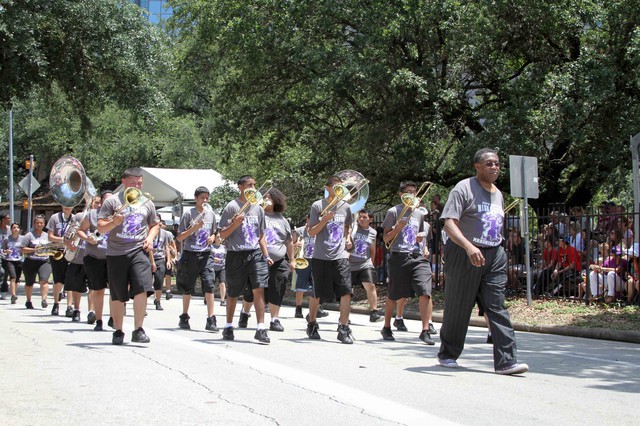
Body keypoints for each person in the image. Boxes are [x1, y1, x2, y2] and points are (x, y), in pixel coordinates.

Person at [437, 148, 528, 375]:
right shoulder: (463, 188)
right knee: (459, 306)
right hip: (464, 252)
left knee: (496, 306)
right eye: (489, 163)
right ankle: (448, 353)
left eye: (497, 163)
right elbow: (448, 223)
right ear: (477, 166)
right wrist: (469, 247)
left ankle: (506, 361)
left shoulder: (498, 193)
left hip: (494, 254)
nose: (495, 167)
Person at [98, 167, 159, 345]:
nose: (137, 186)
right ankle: (118, 330)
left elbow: (155, 225)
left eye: (139, 183)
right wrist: (113, 222)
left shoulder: (147, 202)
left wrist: (150, 238)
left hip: (138, 250)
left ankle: (138, 329)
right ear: (123, 182)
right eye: (133, 183)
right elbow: (101, 227)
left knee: (142, 287)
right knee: (118, 293)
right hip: (116, 252)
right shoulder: (112, 202)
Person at [380, 182, 434, 345]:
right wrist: (397, 229)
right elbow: (385, 239)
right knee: (394, 294)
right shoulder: (393, 212)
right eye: (408, 192)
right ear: (401, 194)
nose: (411, 195)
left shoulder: (419, 213)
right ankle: (387, 326)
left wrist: (422, 241)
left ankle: (425, 330)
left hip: (417, 256)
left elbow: (422, 232)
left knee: (425, 291)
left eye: (413, 192)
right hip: (399, 256)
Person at [218, 176, 271, 344]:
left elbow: (261, 235)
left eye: (254, 185)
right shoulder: (232, 207)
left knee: (259, 288)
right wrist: (234, 224)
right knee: (233, 292)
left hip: (254, 253)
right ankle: (228, 325)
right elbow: (222, 235)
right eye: (249, 185)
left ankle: (261, 328)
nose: (253, 188)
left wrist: (266, 254)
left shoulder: (258, 208)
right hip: (235, 254)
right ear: (240, 187)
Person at [306, 175, 355, 344]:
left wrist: (348, 238)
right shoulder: (318, 206)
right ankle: (312, 323)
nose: (339, 189)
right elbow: (311, 232)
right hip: (321, 256)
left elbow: (347, 226)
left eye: (341, 187)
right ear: (327, 188)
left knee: (346, 291)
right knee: (317, 293)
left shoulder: (346, 207)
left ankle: (343, 327)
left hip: (340, 256)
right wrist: (324, 220)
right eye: (335, 186)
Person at [175, 186, 218, 331]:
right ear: (195, 198)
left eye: (207, 198)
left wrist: (212, 237)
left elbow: (214, 233)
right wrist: (193, 229)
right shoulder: (188, 214)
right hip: (190, 254)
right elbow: (180, 237)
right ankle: (184, 316)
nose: (204, 200)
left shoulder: (211, 214)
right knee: (188, 288)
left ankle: (211, 319)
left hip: (206, 255)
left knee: (209, 285)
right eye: (202, 198)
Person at [261, 188, 295, 331]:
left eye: (270, 197)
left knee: (278, 287)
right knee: (254, 290)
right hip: (259, 258)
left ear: (276, 200)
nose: (267, 199)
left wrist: (292, 259)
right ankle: (245, 312)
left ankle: (275, 319)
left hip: (279, 260)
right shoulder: (257, 214)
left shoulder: (282, 220)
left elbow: (288, 242)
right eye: (265, 197)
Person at [79, 190, 112, 331]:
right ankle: (99, 320)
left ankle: (113, 317)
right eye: (107, 200)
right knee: (98, 290)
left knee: (116, 291)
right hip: (94, 257)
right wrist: (87, 238)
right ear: (102, 201)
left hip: (113, 257)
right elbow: (80, 230)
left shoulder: (119, 216)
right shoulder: (92, 215)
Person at [349, 209, 381, 322]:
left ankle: (374, 312)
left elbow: (372, 249)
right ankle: (344, 316)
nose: (361, 219)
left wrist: (371, 263)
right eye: (360, 217)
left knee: (371, 285)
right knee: (347, 291)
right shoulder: (352, 228)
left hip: (364, 263)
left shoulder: (373, 232)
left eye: (365, 217)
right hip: (349, 264)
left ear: (370, 220)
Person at [47, 206, 74, 316]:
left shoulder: (75, 219)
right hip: (57, 250)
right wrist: (63, 240)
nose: (68, 207)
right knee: (58, 279)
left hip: (70, 251)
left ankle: (69, 306)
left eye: (70, 205)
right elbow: (50, 237)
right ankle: (56, 304)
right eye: (65, 204)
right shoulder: (55, 218)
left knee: (70, 279)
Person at [20, 215, 52, 309]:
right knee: (29, 282)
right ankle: (28, 301)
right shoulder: (29, 235)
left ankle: (44, 299)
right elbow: (22, 249)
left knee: (44, 279)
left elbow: (51, 247)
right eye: (37, 223)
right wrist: (34, 250)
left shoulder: (47, 236)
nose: (39, 224)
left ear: (44, 224)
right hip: (31, 261)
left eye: (41, 223)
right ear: (34, 224)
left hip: (44, 261)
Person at [63, 210, 89, 322]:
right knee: (76, 287)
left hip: (92, 258)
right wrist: (70, 245)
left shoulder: (102, 216)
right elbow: (66, 238)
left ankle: (92, 312)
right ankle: (76, 309)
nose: (97, 205)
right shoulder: (80, 216)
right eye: (95, 202)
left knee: (94, 288)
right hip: (77, 258)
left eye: (99, 203)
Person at [150, 217, 173, 311]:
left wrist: (168, 260)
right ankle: (143, 305)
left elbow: (166, 247)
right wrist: (152, 262)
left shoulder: (164, 233)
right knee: (146, 282)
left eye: (158, 220)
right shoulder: (148, 231)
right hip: (148, 259)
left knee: (159, 280)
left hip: (160, 258)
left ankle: (158, 301)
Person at [2, 222, 24, 304]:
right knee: (13, 276)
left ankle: (14, 293)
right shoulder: (7, 239)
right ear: (11, 229)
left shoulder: (23, 238)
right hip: (9, 260)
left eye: (17, 227)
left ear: (19, 229)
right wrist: (6, 251)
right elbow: (2, 250)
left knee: (17, 278)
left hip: (19, 260)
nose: (16, 229)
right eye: (14, 227)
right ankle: (13, 295)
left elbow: (25, 248)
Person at [210, 231, 227, 305]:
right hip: (212, 267)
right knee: (210, 284)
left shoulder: (224, 247)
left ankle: (222, 300)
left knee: (222, 283)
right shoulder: (211, 247)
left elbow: (226, 257)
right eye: (217, 237)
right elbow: (208, 256)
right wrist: (214, 259)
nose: (219, 239)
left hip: (221, 267)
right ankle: (208, 298)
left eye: (220, 237)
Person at [0, 213, 10, 300]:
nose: (9, 220)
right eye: (8, 218)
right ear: (3, 219)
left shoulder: (10, 230)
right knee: (1, 271)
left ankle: (3, 291)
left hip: (7, 254)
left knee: (5, 273)